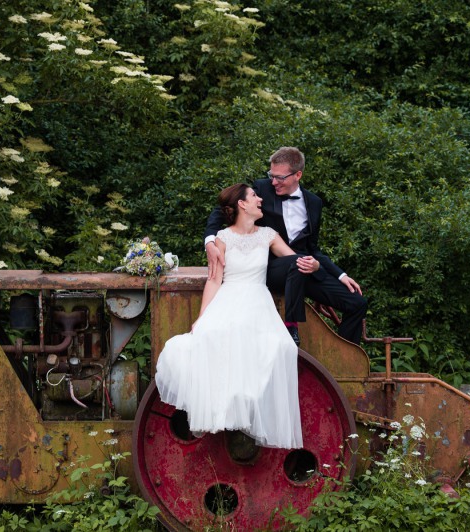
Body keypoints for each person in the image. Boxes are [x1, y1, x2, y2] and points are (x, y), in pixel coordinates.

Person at [155, 184, 304, 448]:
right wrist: (202, 318)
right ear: (242, 205)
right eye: (254, 196)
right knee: (213, 336)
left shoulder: (269, 235)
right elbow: (214, 280)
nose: (260, 199)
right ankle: (226, 412)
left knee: (278, 347)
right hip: (229, 298)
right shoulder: (222, 238)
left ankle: (248, 409)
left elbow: (294, 260)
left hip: (258, 301)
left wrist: (314, 266)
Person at [204, 147, 367, 345]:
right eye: (271, 175)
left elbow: (312, 248)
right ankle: (292, 328)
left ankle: (345, 358)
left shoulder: (314, 203)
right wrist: (210, 241)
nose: (274, 182)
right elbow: (222, 209)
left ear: (298, 174)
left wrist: (340, 275)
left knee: (357, 302)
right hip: (273, 268)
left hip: (304, 268)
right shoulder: (261, 190)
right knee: (295, 263)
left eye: (280, 178)